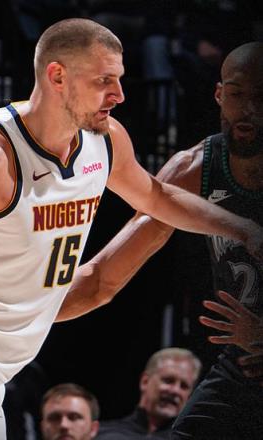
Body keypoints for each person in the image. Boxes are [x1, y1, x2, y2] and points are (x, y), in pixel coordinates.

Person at [0, 20, 263, 439]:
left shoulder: (105, 139)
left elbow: (157, 196)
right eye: (104, 81)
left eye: (119, 79)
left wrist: (244, 228)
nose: (119, 94)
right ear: (57, 76)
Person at [57, 42, 263, 439]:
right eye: (238, 95)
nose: (248, 110)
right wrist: (13, 316)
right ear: (220, 95)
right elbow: (102, 278)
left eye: (261, 97)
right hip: (240, 366)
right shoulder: (194, 169)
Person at [97, 348, 201, 439]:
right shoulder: (99, 434)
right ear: (145, 381)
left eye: (184, 386)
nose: (175, 390)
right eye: (168, 381)